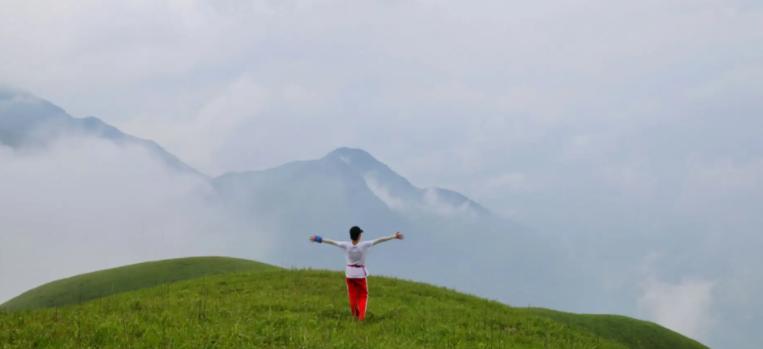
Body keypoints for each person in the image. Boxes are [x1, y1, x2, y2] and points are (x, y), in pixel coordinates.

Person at [309, 226, 404, 320]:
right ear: (359, 236)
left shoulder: (346, 245)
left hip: (349, 274)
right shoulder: (364, 245)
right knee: (363, 295)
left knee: (352, 295)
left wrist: (317, 239)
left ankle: (354, 315)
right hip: (360, 274)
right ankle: (361, 317)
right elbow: (380, 240)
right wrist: (394, 236)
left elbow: (331, 242)